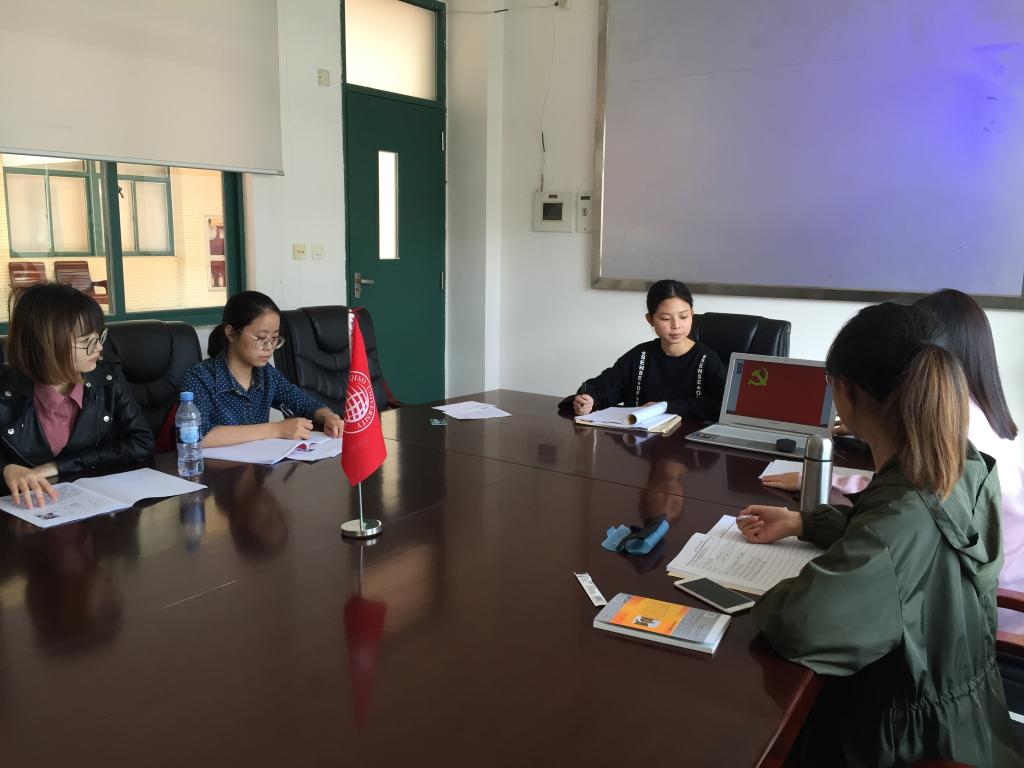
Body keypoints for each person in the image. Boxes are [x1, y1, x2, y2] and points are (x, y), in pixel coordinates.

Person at [736, 302, 1022, 767]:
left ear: (847, 392)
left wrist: (766, 595)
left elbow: (803, 625)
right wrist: (807, 522)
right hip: (969, 717)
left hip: (907, 739)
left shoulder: (903, 513)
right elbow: (906, 547)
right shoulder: (959, 464)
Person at [0, 283, 154, 508]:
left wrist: (59, 466)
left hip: (95, 509)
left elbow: (141, 441)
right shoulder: (5, 389)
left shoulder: (106, 377)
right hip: (24, 513)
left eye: (99, 336)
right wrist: (6, 469)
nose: (99, 348)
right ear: (44, 346)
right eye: (85, 342)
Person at [917, 289, 1024, 603]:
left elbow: (917, 504)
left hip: (988, 603)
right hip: (997, 583)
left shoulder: (960, 429)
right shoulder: (985, 415)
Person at [180, 291, 343, 448]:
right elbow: (196, 436)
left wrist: (328, 417)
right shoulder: (199, 376)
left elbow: (303, 402)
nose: (269, 347)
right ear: (230, 333)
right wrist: (276, 429)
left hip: (258, 464)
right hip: (214, 466)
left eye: (274, 338)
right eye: (260, 338)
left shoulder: (266, 374)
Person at [560, 279, 725, 419]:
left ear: (692, 315)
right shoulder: (640, 356)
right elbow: (605, 385)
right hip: (640, 441)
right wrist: (589, 399)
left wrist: (665, 407)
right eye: (665, 318)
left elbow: (720, 407)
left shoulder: (707, 359)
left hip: (688, 442)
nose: (676, 325)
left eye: (684, 317)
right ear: (650, 319)